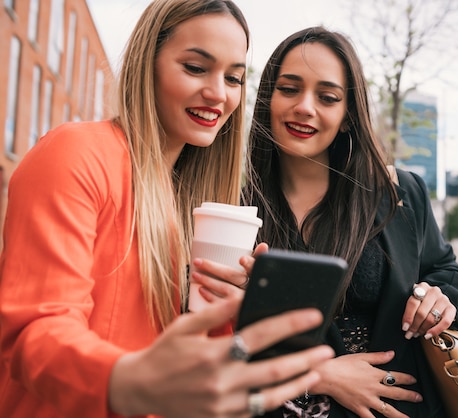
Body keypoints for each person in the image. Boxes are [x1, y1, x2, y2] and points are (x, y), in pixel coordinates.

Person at [0, 2, 333, 418]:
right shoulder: (77, 153)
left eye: (233, 78)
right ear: (148, 63)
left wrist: (236, 313)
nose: (218, 93)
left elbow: (191, 367)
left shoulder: (194, 207)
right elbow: (35, 333)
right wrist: (126, 381)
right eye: (195, 68)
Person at [240, 26, 458, 418]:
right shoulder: (237, 207)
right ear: (266, 99)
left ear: (348, 116)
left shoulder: (398, 193)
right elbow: (216, 340)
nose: (304, 107)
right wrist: (315, 374)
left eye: (328, 97)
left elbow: (448, 272)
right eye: (289, 89)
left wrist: (441, 298)